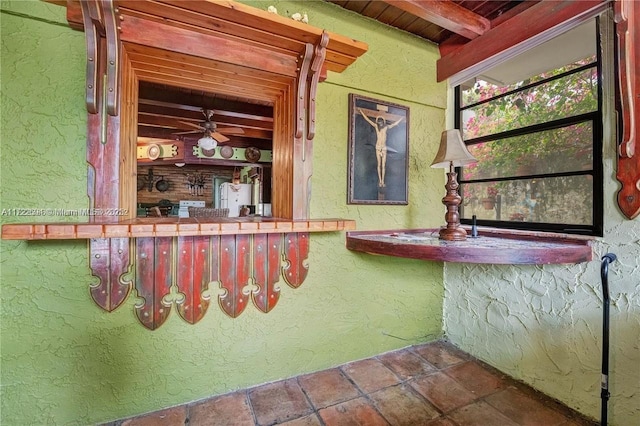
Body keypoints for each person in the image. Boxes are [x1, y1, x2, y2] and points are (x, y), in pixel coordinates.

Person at [359, 108, 404, 187]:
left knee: (383, 165)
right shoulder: (376, 127)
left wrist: (401, 118)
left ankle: (383, 181)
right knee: (379, 165)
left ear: (383, 122)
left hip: (383, 147)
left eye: (381, 122)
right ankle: (380, 181)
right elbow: (368, 120)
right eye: (379, 122)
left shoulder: (386, 128)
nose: (380, 123)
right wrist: (361, 112)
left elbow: (394, 124)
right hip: (378, 147)